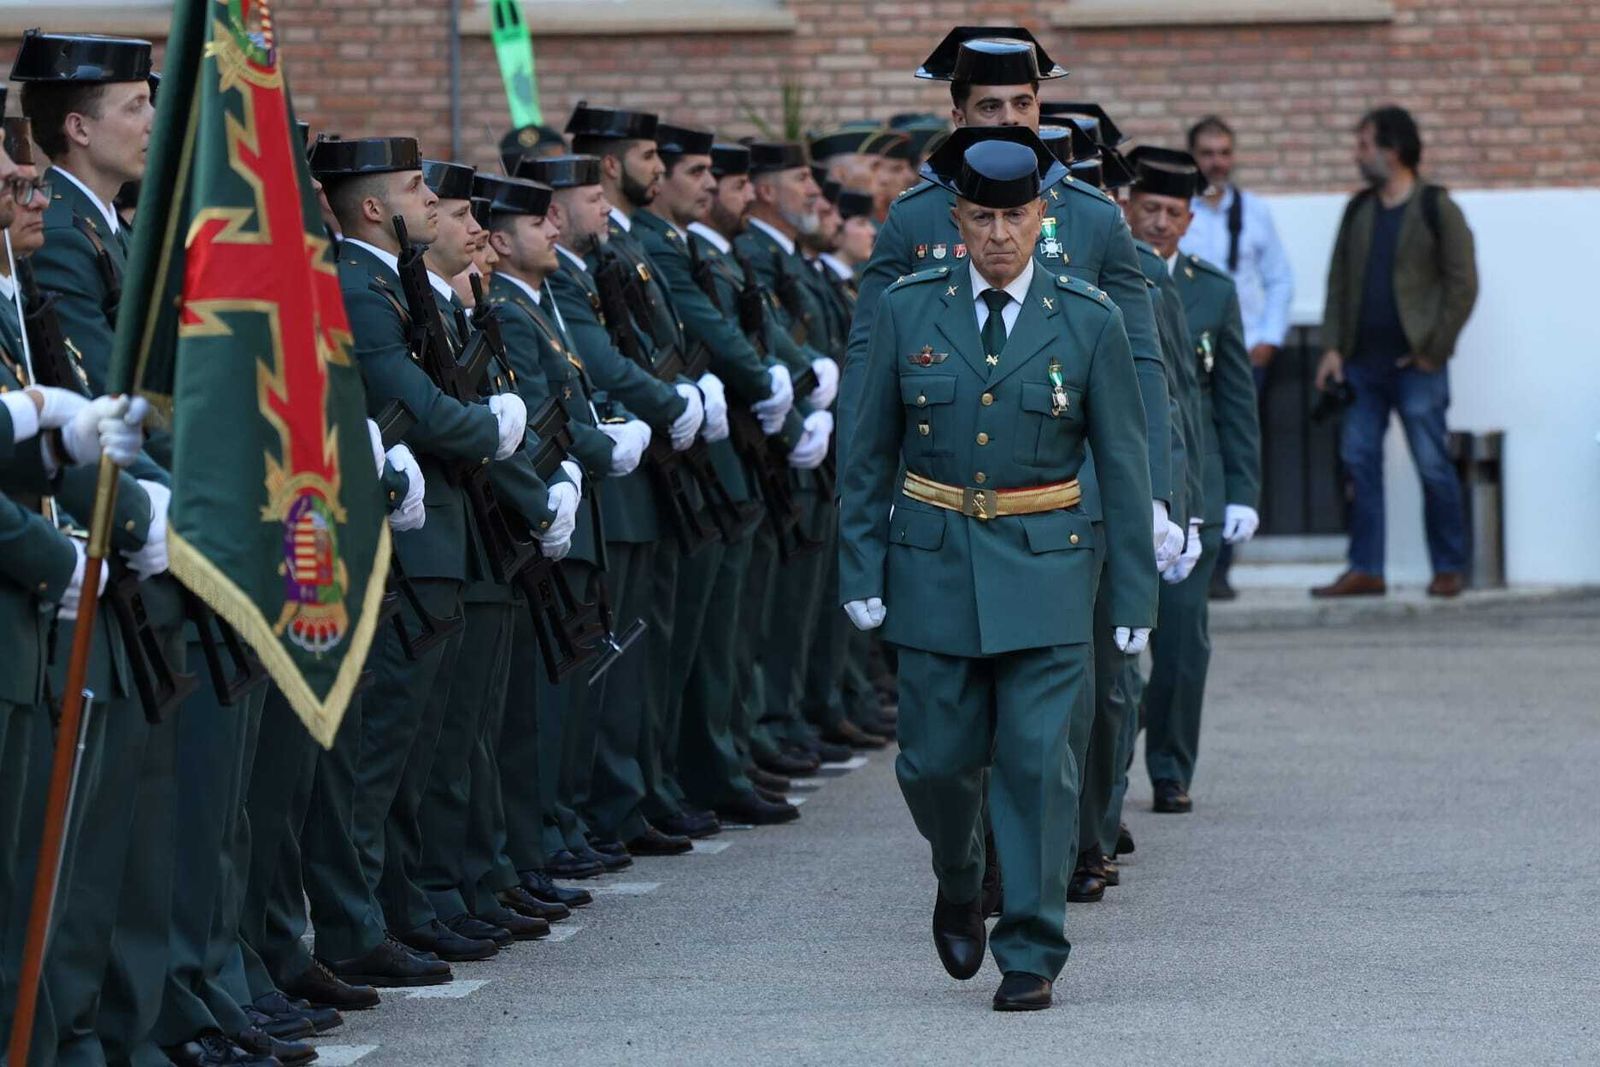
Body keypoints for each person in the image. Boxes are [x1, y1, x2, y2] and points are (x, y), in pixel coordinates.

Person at [840, 130, 1155, 1012]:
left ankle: (1032, 945)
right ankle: (959, 872)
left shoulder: (1087, 317)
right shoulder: (910, 308)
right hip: (933, 562)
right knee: (936, 764)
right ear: (958, 220)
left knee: (1036, 764)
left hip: (1047, 564)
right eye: (982, 218)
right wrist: (860, 564)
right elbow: (866, 449)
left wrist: (1134, 590)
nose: (1000, 235)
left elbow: (1124, 465)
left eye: (1015, 217)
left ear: (1041, 216)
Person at [1123, 146, 1261, 816]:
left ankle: (1171, 766)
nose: (1158, 222)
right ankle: (1105, 775)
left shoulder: (1212, 287)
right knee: (1116, 643)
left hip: (1194, 487)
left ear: (1188, 220)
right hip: (1128, 482)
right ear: (1127, 208)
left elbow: (1233, 398)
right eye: (1147, 208)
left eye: (1171, 213)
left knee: (1181, 640)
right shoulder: (1112, 276)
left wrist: (1243, 490)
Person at [1313, 105, 1478, 600]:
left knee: (1432, 464)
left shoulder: (1436, 207)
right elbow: (1339, 281)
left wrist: (1434, 349)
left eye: (1365, 144)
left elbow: (1463, 284)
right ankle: (1367, 569)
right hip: (1362, 366)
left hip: (1416, 367)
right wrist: (1333, 348)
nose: (1358, 155)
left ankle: (1449, 567)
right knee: (1358, 464)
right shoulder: (1358, 209)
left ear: (1393, 150)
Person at [1180, 114, 1294, 600]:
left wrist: (1269, 338)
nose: (1217, 163)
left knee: (1235, 454)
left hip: (1243, 356)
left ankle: (1222, 567)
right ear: (1192, 158)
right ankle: (1191, 556)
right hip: (1185, 356)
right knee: (1189, 452)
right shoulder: (1176, 210)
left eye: (1224, 152)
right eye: (1207, 153)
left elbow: (1279, 279)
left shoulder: (1255, 211)